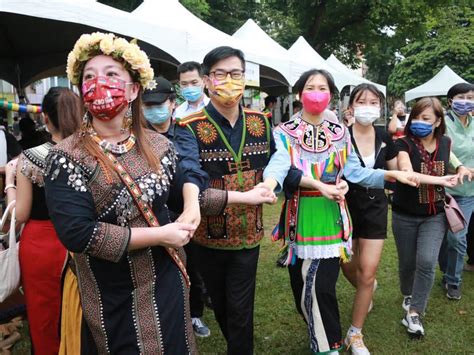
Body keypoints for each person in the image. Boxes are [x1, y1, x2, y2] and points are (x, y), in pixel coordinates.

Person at [259, 69, 421, 355]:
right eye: (311, 86)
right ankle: (321, 332)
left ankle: (329, 347)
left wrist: (390, 176)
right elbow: (281, 167)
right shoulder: (284, 132)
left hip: (332, 219)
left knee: (320, 287)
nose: (317, 92)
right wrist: (271, 184)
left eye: (323, 87)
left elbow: (355, 172)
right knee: (302, 292)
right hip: (301, 218)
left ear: (331, 96)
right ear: (299, 93)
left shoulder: (339, 133)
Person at [174, 46, 283, 355]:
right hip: (207, 238)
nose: (229, 81)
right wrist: (245, 197)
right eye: (220, 74)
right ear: (208, 81)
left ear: (245, 78)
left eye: (235, 74)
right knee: (222, 305)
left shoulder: (261, 123)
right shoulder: (188, 127)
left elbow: (279, 160)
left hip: (249, 237)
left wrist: (275, 180)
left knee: (239, 310)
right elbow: (190, 176)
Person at [4, 87, 82, 354]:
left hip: (40, 245)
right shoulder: (93, 155)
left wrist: (8, 182)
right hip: (83, 240)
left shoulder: (29, 158)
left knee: (44, 314)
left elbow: (20, 213)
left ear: (45, 118)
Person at [143, 75, 213, 338]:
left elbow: (189, 166)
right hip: (149, 212)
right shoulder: (136, 134)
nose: (153, 110)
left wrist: (190, 203)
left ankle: (194, 314)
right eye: (147, 105)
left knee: (190, 265)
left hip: (182, 209)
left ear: (172, 103)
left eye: (158, 103)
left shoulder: (184, 131)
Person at [392, 97, 460, 338]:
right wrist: (442, 180)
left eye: (426, 118)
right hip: (404, 214)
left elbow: (452, 162)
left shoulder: (446, 143)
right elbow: (407, 172)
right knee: (407, 263)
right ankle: (408, 293)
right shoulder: (403, 144)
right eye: (417, 117)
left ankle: (414, 311)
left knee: (427, 261)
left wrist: (461, 169)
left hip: (435, 215)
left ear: (438, 121)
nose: (420, 122)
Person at [339, 84, 398, 354]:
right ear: (351, 106)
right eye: (361, 100)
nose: (367, 105)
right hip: (344, 206)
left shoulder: (386, 135)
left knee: (368, 270)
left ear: (380, 107)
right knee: (349, 266)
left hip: (375, 207)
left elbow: (396, 171)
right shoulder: (340, 135)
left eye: (373, 101)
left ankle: (355, 333)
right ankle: (367, 286)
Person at [441, 82, 474, 299]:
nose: (466, 101)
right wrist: (460, 167)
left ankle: (452, 278)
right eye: (461, 97)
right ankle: (450, 277)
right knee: (451, 237)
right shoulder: (442, 122)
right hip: (450, 189)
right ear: (451, 100)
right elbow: (445, 148)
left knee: (457, 237)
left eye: (470, 98)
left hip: (470, 192)